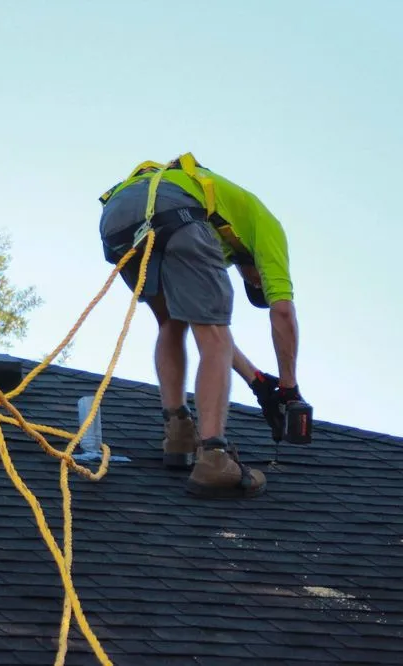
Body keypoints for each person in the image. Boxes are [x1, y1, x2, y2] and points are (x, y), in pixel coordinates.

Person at [97, 153, 305, 499]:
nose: (250, 279)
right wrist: (289, 389)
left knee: (171, 323)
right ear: (258, 277)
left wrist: (257, 380)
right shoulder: (267, 230)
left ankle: (178, 434)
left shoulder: (221, 237)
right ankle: (213, 456)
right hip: (175, 210)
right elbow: (282, 313)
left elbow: (201, 327)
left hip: (119, 216)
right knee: (214, 335)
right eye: (255, 282)